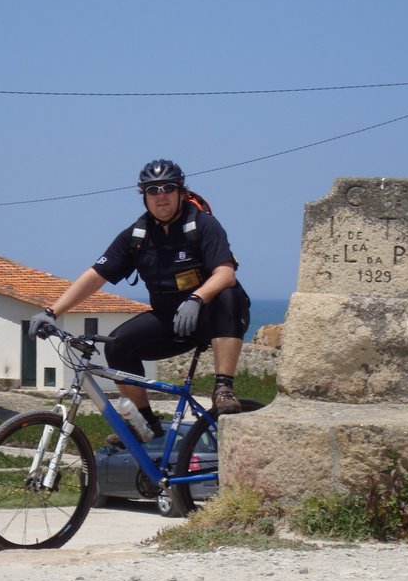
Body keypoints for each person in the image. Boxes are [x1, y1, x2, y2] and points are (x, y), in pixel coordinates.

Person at [29, 158, 250, 445]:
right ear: (143, 195)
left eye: (168, 188)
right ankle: (146, 424)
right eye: (152, 190)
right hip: (171, 321)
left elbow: (225, 273)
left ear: (181, 191)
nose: (161, 195)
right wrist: (51, 311)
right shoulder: (137, 236)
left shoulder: (202, 225)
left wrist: (196, 298)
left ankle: (223, 389)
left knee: (228, 295)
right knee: (118, 345)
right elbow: (96, 275)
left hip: (213, 317)